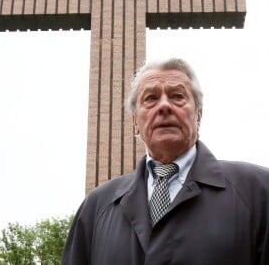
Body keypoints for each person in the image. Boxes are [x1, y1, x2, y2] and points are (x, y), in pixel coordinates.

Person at [61, 58, 269, 265]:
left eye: (177, 96)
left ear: (198, 115)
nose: (164, 106)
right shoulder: (96, 207)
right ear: (135, 122)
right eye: (151, 98)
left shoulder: (258, 193)